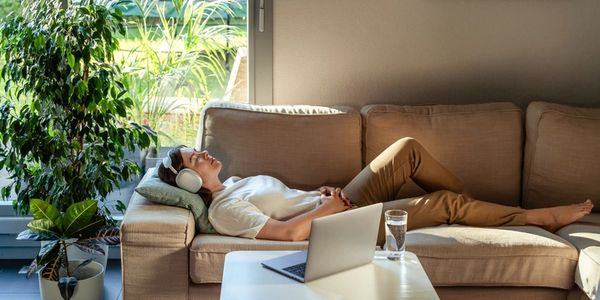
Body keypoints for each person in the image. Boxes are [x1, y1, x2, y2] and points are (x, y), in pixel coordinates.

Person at [157, 138, 593, 244]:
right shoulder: (224, 211)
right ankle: (537, 217)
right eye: (195, 159)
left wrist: (322, 192)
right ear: (189, 182)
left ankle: (476, 209)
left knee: (407, 150)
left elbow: (291, 199)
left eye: (199, 151)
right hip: (339, 224)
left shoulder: (236, 183)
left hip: (336, 201)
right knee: (443, 203)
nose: (205, 155)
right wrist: (328, 208)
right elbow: (288, 234)